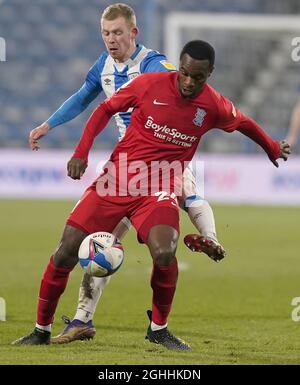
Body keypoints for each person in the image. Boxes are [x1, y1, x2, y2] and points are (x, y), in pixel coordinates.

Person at [13, 40, 290, 349]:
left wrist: (272, 147)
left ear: (210, 73)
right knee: (65, 251)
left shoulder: (214, 105)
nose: (188, 82)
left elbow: (246, 124)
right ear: (179, 67)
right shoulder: (148, 84)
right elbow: (105, 109)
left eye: (197, 77)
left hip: (158, 188)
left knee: (164, 254)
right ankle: (41, 330)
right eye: (184, 73)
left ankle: (158, 328)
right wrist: (82, 152)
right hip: (117, 181)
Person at [28, 3, 224, 344]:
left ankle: (213, 239)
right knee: (103, 245)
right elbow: (82, 98)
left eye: (117, 32)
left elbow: (181, 92)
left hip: (165, 158)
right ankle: (81, 320)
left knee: (189, 194)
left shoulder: (155, 64)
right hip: (128, 167)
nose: (111, 39)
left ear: (133, 32)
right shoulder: (103, 66)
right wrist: (49, 123)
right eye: (105, 33)